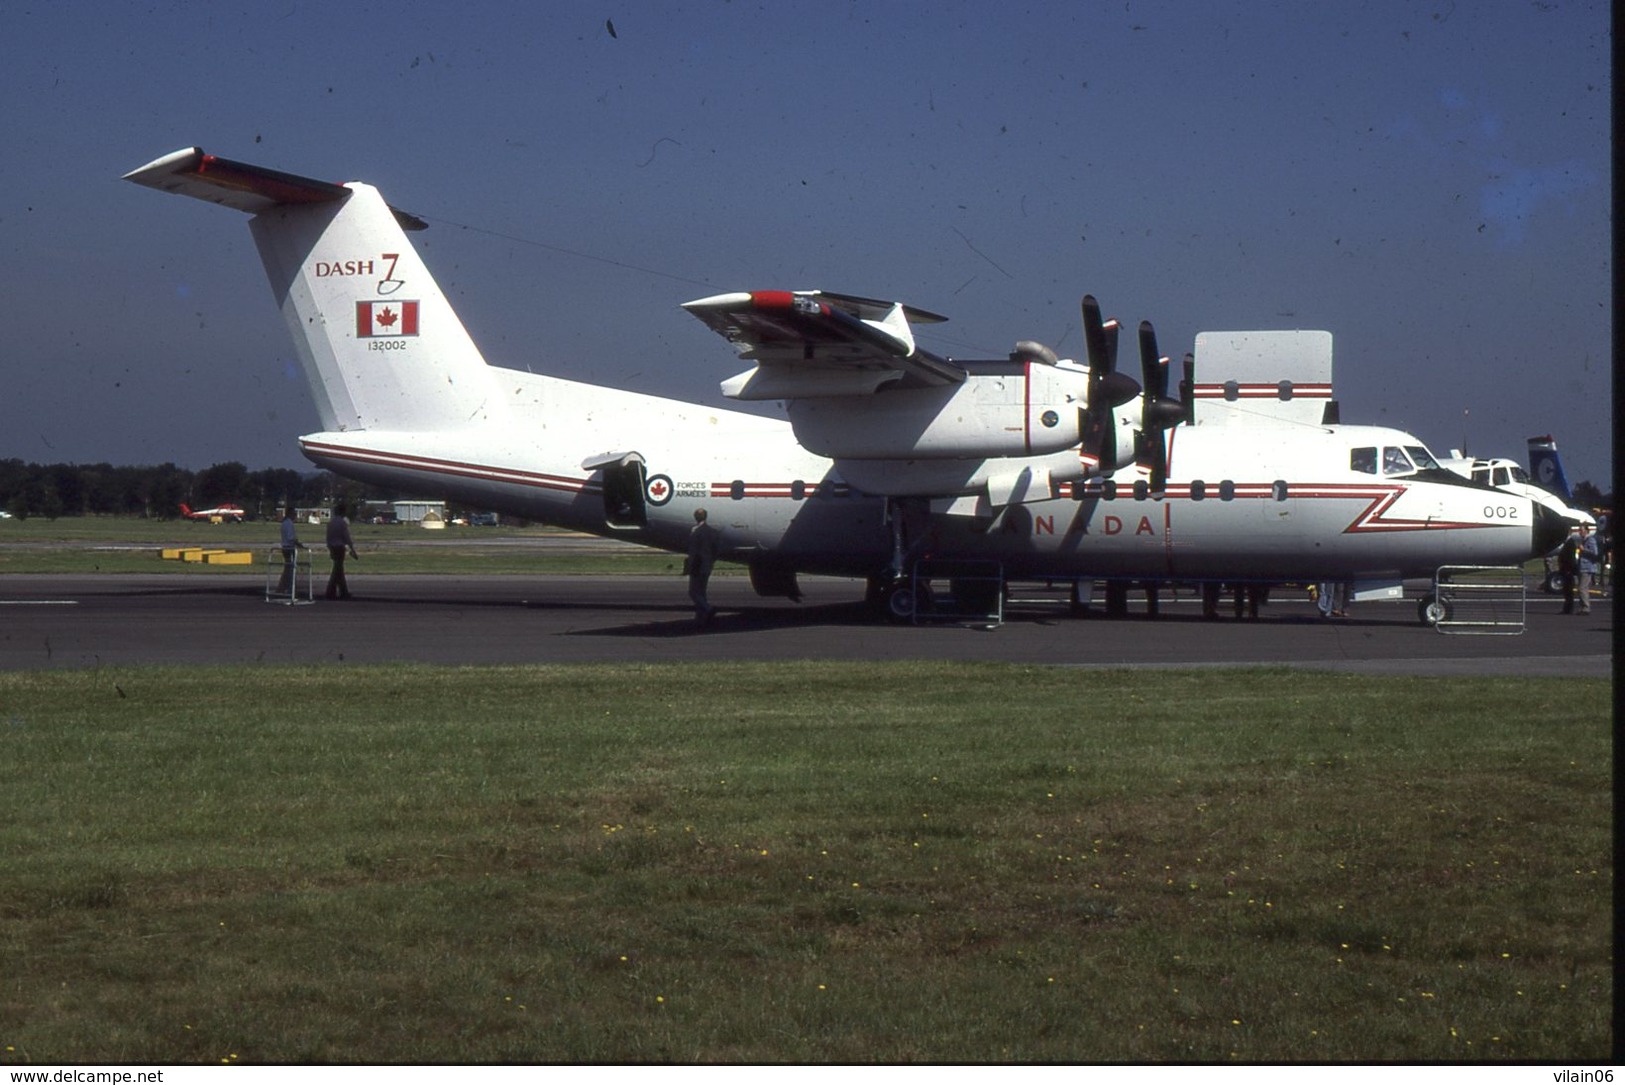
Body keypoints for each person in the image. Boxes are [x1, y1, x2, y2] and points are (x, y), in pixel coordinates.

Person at [685, 507, 721, 624]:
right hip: (708, 564)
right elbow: (715, 550)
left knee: (693, 591)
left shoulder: (695, 531)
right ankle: (701, 615)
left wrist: (689, 565)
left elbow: (693, 551)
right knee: (702, 591)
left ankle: (707, 609)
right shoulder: (713, 532)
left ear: (696, 517)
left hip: (697, 565)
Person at [325, 503, 360, 600]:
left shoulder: (331, 522)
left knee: (338, 570)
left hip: (332, 547)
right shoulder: (342, 523)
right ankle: (331, 592)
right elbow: (346, 537)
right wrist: (352, 548)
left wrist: (329, 548)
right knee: (337, 570)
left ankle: (342, 591)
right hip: (340, 547)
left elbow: (328, 537)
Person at [275, 506, 304, 598]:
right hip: (289, 548)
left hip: (285, 547)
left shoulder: (284, 523)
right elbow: (291, 538)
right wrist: (298, 544)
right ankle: (289, 589)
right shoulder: (289, 524)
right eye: (294, 514)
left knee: (287, 569)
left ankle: (282, 588)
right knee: (290, 570)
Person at [1557, 525, 1581, 614]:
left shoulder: (1570, 543)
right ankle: (1567, 608)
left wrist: (1569, 569)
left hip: (1568, 569)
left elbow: (1570, 558)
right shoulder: (1568, 542)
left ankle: (1568, 609)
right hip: (1566, 569)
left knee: (1568, 590)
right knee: (1567, 590)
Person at [1575, 522, 1597, 616]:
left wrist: (1583, 549)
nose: (1580, 532)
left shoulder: (1590, 540)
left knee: (1582, 588)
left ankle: (1586, 607)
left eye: (1581, 530)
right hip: (1582, 566)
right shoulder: (1583, 540)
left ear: (1586, 531)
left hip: (1587, 567)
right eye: (1579, 530)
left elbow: (1594, 552)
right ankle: (1583, 607)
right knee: (1582, 588)